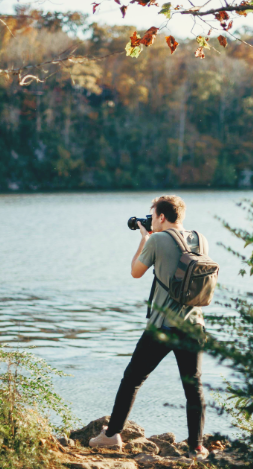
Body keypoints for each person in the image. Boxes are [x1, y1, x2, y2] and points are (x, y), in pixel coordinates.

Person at [89, 195, 209, 460]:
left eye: (152, 215)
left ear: (162, 217)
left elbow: (136, 271)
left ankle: (111, 435)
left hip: (162, 326)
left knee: (132, 379)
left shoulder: (155, 240)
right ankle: (197, 447)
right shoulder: (200, 238)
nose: (151, 219)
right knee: (194, 387)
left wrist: (144, 238)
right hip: (194, 325)